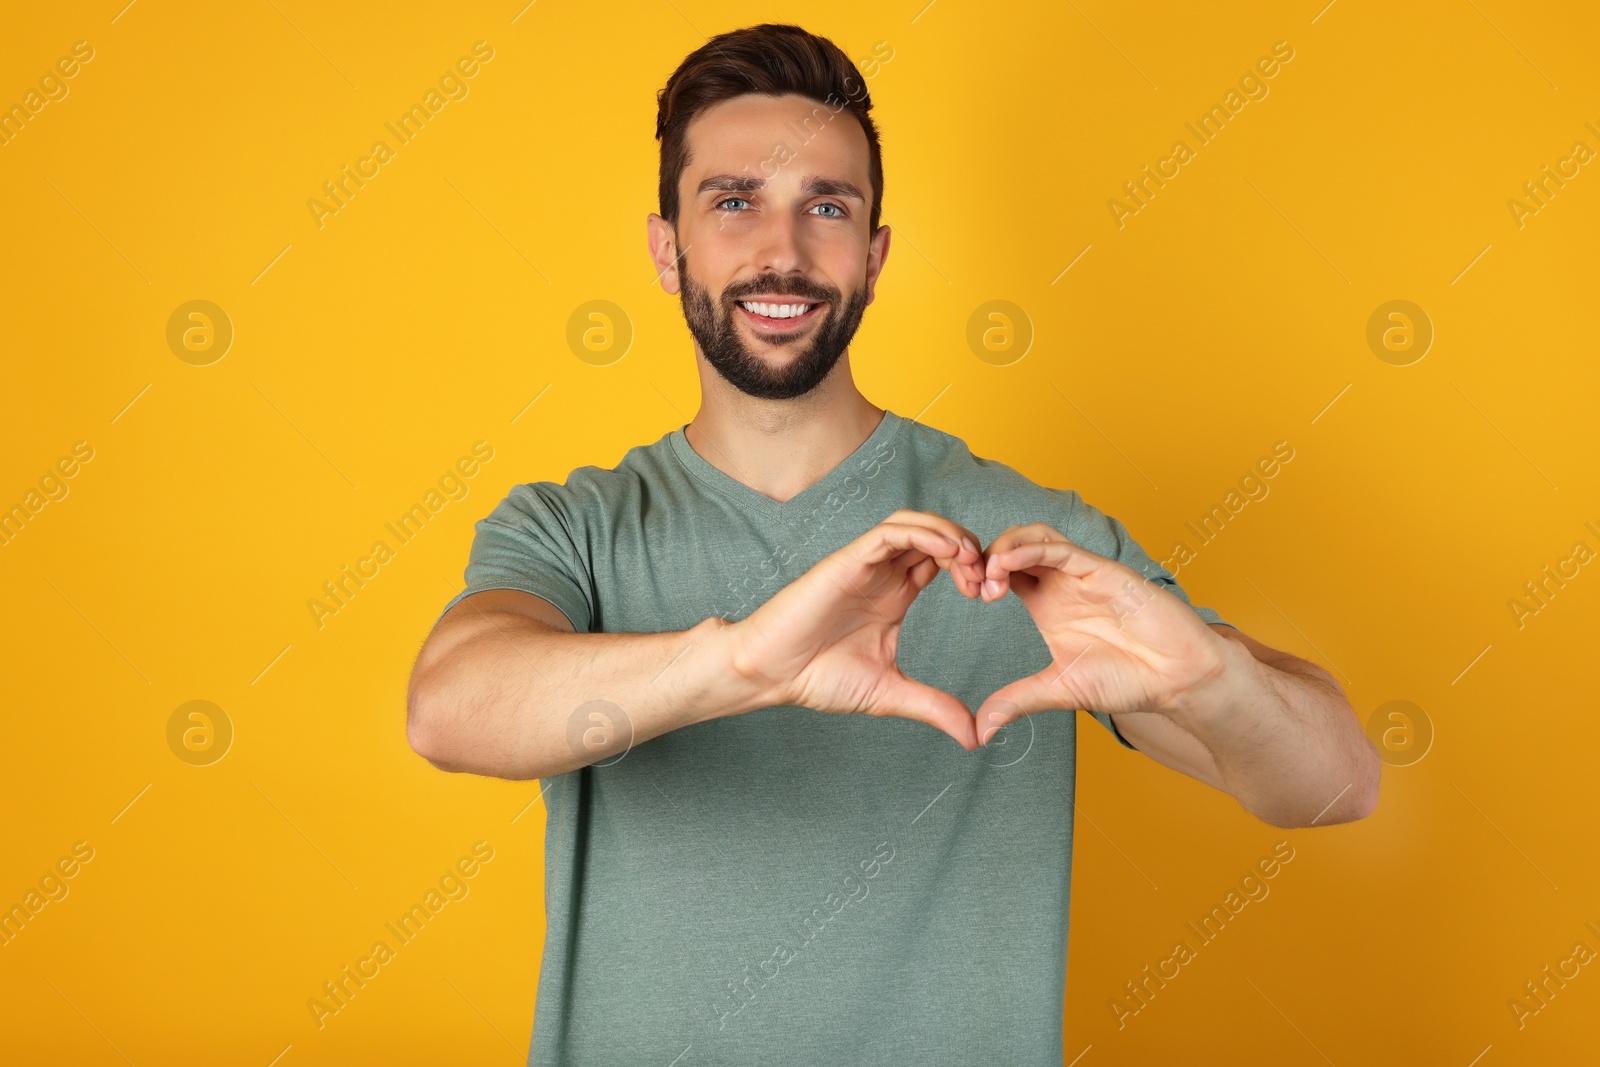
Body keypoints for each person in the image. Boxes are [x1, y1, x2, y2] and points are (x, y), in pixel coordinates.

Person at [405, 23, 1380, 1065]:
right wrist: (740, 662)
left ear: (873, 254)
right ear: (665, 247)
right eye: (732, 203)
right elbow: (449, 706)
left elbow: (1336, 784)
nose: (781, 251)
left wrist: (1211, 678)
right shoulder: (573, 527)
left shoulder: (1027, 546)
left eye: (826, 207)